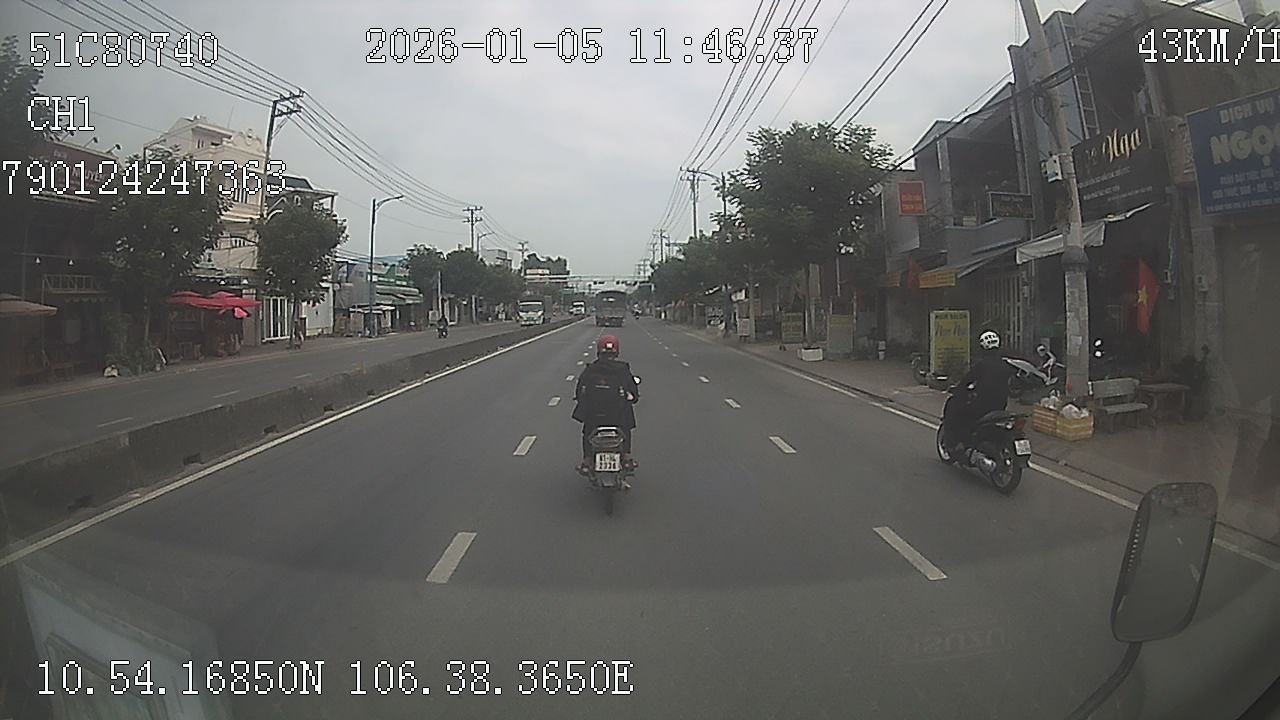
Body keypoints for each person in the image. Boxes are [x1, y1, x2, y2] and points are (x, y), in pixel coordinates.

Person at [573, 334, 639, 478]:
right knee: (626, 426)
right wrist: (631, 398)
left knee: (587, 432)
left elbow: (579, 391)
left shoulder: (590, 370)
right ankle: (626, 456)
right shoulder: (623, 369)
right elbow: (634, 394)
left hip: (594, 417)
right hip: (618, 418)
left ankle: (587, 459)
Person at [942, 330, 1017, 457]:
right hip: (1000, 406)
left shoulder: (981, 365)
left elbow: (966, 381)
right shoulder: (1005, 365)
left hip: (982, 406)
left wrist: (957, 389)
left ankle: (956, 443)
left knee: (955, 410)